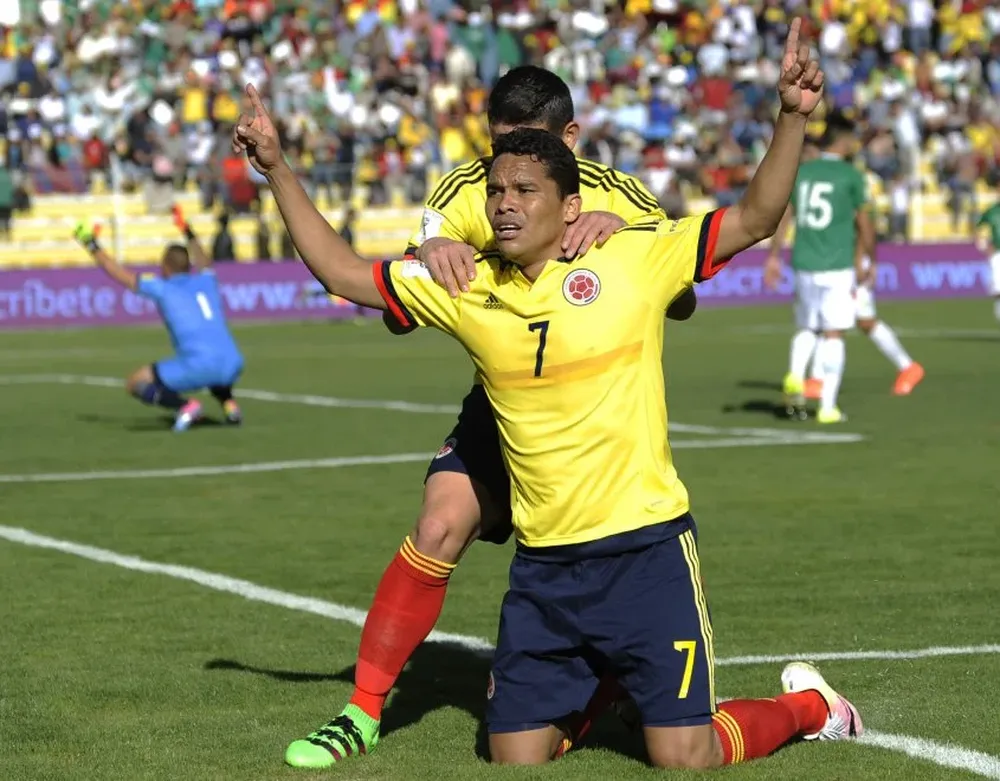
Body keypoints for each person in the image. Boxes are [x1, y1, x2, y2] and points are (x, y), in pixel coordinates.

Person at [235, 18, 861, 770]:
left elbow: (749, 224)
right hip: (540, 534)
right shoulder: (469, 281)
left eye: (524, 187)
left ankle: (811, 707)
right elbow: (343, 272)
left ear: (570, 189)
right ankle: (374, 708)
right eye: (496, 184)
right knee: (510, 745)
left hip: (641, 545)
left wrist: (790, 118)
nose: (501, 201)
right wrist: (279, 170)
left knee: (683, 755)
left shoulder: (628, 244)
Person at [287, 64, 697, 762]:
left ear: (570, 138)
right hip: (506, 400)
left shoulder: (624, 195)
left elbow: (680, 297)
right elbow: (392, 302)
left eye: (526, 148)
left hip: (592, 413)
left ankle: (605, 674)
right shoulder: (466, 189)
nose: (505, 171)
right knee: (438, 524)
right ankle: (362, 711)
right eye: (496, 149)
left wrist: (620, 232)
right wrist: (433, 249)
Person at [765, 114, 923, 423]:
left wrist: (773, 255)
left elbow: (784, 216)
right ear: (845, 141)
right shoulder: (851, 176)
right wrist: (870, 260)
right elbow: (865, 223)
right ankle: (827, 405)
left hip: (805, 261)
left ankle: (798, 373)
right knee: (836, 332)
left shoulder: (802, 173)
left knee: (809, 327)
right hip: (839, 262)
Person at [72, 212, 244, 433]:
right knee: (213, 361)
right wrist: (187, 230)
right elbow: (203, 260)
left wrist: (90, 242)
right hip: (232, 364)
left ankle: (185, 406)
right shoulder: (207, 281)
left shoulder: (163, 288)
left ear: (167, 266)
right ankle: (230, 406)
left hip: (200, 367)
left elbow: (117, 272)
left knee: (136, 382)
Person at [975, 196, 1000, 323]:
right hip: (997, 253)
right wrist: (983, 243)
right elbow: (978, 226)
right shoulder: (991, 211)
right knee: (997, 287)